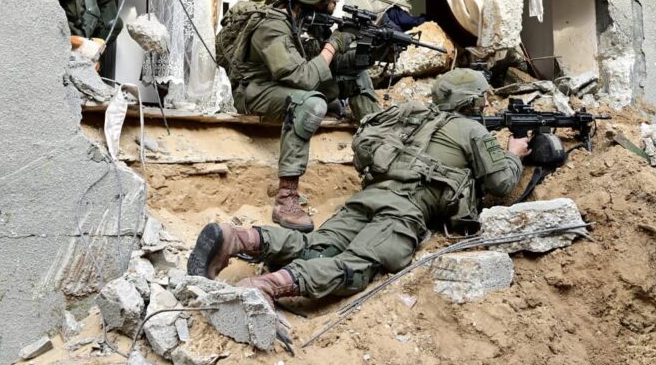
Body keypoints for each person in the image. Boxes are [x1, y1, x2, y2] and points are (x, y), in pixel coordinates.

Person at [187, 68, 531, 303]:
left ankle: (238, 238)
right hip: (404, 211)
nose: (486, 105)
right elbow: (501, 184)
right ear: (469, 102)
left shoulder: (410, 115)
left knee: (316, 244)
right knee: (355, 266)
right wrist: (514, 153)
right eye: (482, 99)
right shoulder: (473, 131)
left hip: (368, 196)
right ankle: (265, 286)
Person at [221, 0, 380, 232]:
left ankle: (380, 157)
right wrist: (334, 44)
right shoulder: (272, 26)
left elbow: (333, 64)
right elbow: (304, 78)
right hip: (256, 90)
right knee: (311, 104)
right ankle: (286, 199)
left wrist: (370, 52)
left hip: (287, 84)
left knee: (356, 75)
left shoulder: (306, 20)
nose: (336, 2)